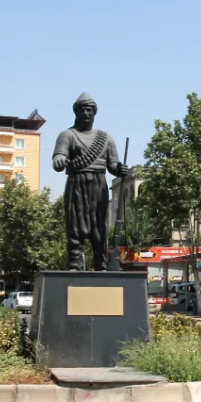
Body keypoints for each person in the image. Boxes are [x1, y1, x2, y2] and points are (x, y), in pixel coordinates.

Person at [51, 92, 132, 271]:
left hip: (98, 185)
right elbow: (60, 155)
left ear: (95, 113)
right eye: (82, 110)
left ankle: (101, 264)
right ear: (75, 112)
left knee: (99, 228)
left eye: (90, 110)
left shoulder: (106, 138)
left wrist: (120, 169)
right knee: (75, 226)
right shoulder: (68, 135)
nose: (86, 113)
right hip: (77, 184)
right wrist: (59, 159)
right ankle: (74, 265)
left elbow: (112, 165)